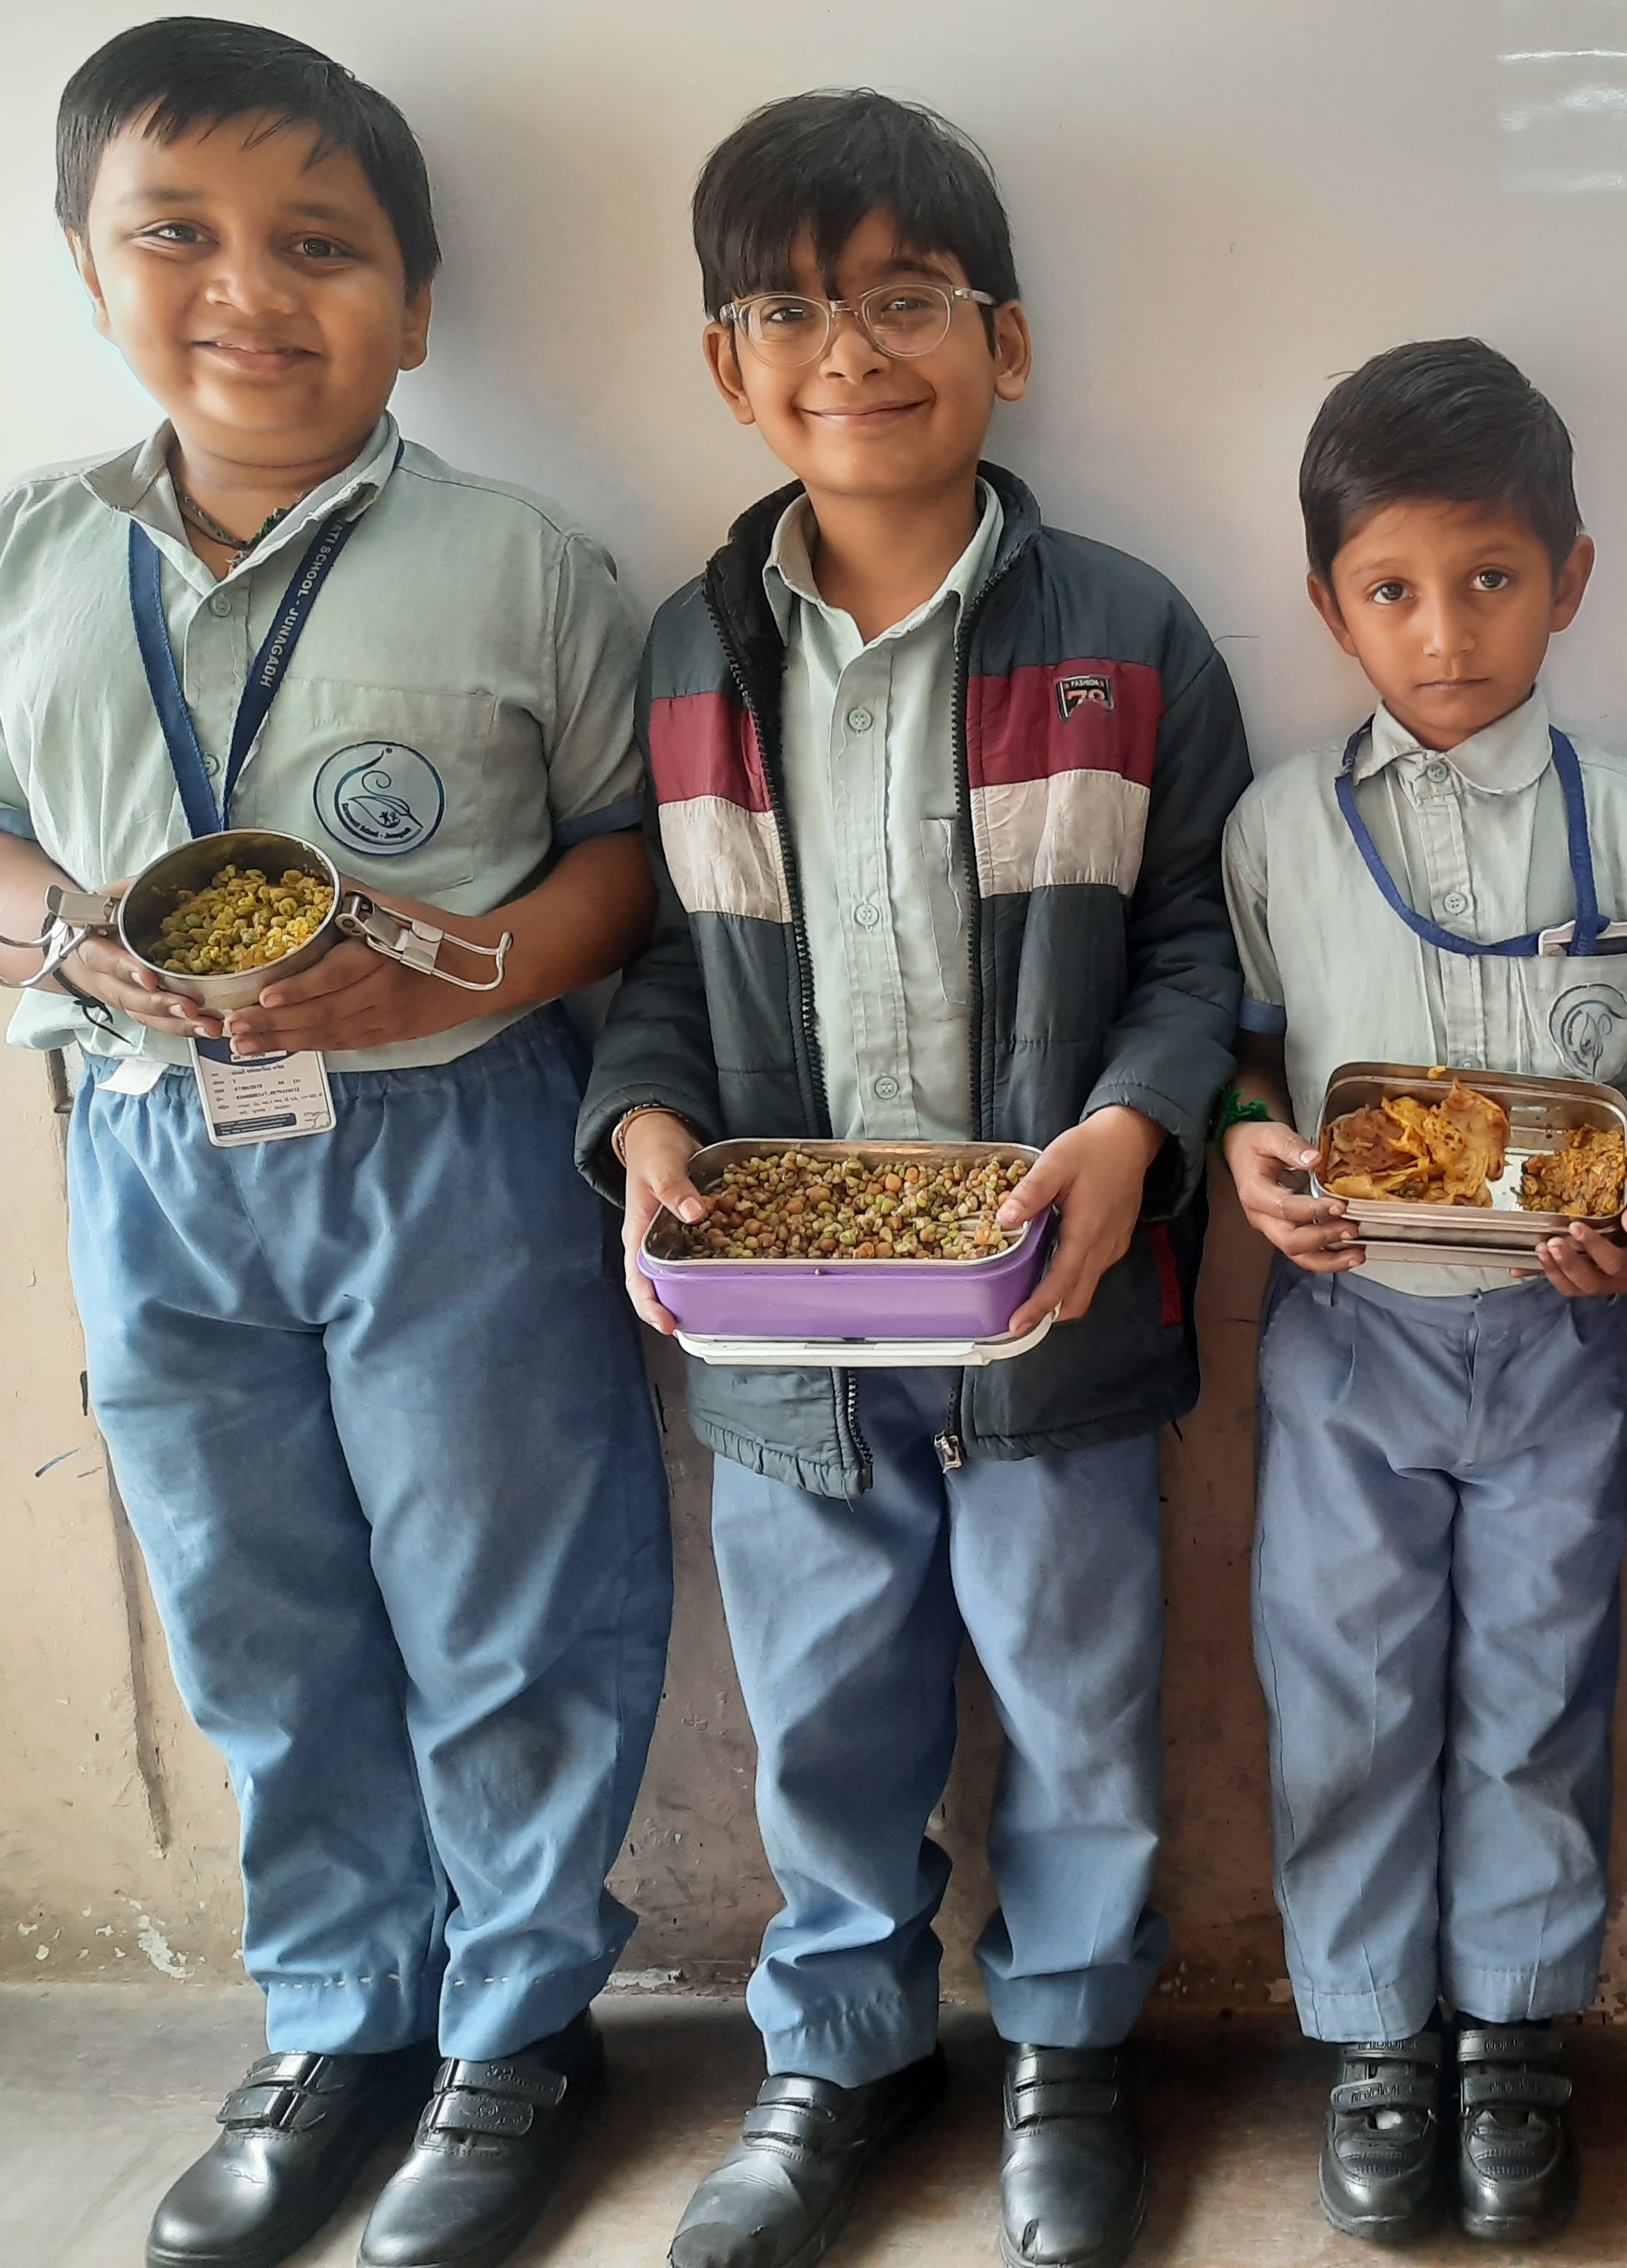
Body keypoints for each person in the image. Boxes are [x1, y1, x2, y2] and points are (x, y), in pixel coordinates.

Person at [0, 21, 674, 2268]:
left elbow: (623, 860)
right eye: (175, 234)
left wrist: (455, 972)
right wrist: (76, 942)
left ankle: (518, 2026)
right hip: (147, 1146)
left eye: (319, 245)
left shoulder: (523, 565)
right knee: (252, 1604)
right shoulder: (24, 555)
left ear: (418, 300)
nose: (249, 292)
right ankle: (338, 2016)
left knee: (509, 1597)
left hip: (451, 1143)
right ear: (83, 266)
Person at [578, 88, 1248, 2268]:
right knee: (824, 1712)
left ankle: (1068, 2049)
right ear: (726, 364)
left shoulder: (1127, 631)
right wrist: (644, 1126)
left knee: (1077, 1703)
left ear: (1003, 340)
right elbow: (664, 964)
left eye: (905, 300)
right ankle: (840, 2052)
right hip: (782, 1329)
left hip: (1049, 1308)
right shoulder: (692, 654)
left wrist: (1133, 1131)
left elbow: (1197, 949)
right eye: (789, 312)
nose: (850, 350)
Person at [1217, 339, 1627, 2245]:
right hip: (1350, 1335)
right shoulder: (1277, 829)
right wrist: (1248, 1147)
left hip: (1569, 1334)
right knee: (1341, 1688)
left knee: (1534, 1682)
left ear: (1568, 581)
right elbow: (1246, 1056)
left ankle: (1510, 2023)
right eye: (1393, 590)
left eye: (1490, 578)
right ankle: (1369, 2032)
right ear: (1326, 604)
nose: (1444, 633)